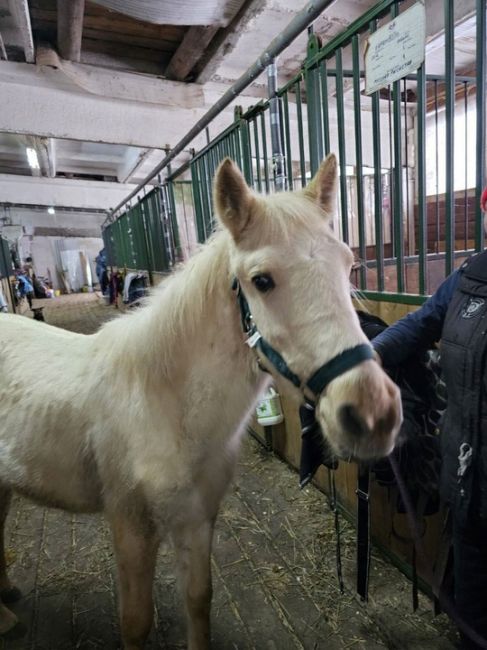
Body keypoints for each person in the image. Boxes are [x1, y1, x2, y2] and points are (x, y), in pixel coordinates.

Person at [372, 187, 487, 649]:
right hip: (467, 477)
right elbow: (420, 324)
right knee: (474, 605)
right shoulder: (467, 279)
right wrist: (367, 358)